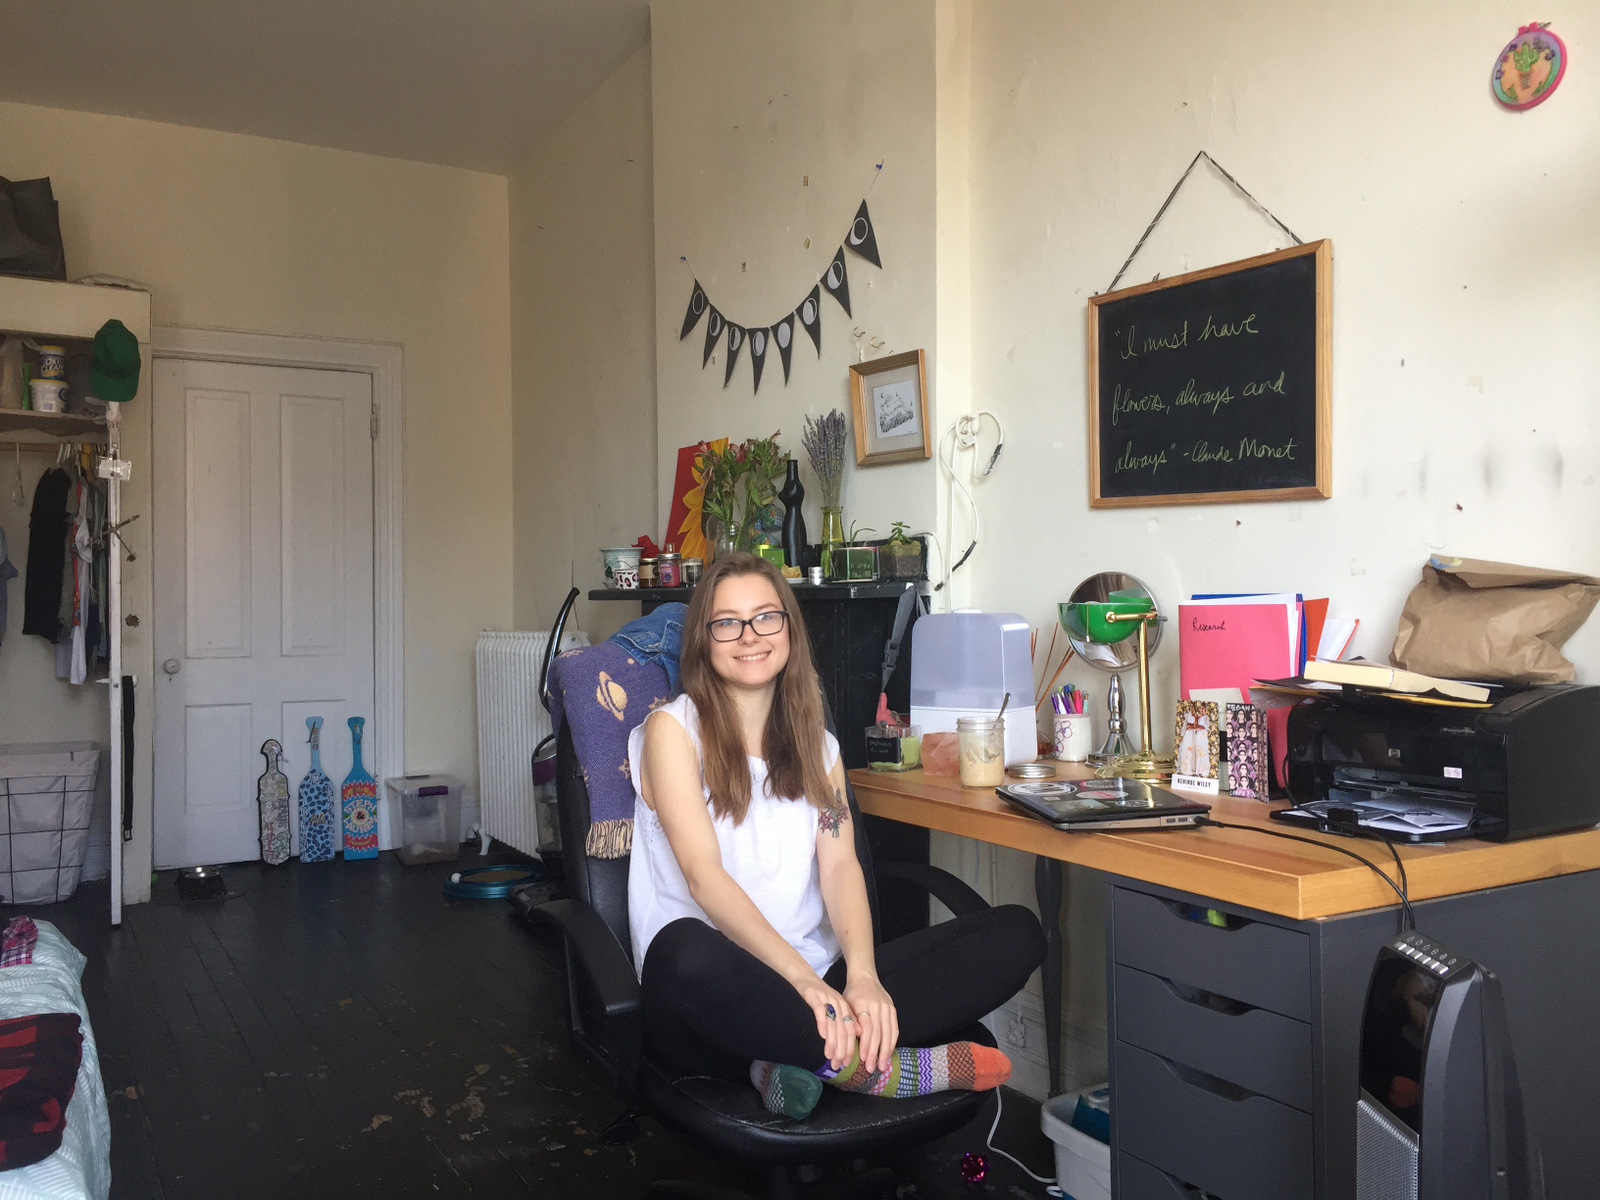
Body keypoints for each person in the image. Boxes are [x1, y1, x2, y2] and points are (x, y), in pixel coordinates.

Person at [629, 552, 1045, 1119]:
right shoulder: (673, 730)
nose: (749, 636)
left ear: (789, 629)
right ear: (704, 640)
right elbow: (702, 876)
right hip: (721, 991)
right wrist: (803, 982)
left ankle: (794, 1058)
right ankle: (881, 1071)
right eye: (727, 622)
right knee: (682, 951)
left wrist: (864, 980)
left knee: (1016, 933)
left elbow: (840, 865)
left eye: (766, 617)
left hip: (819, 983)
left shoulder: (818, 747)